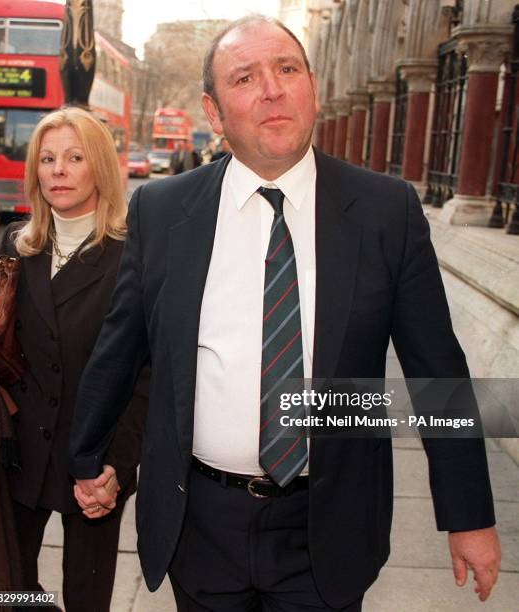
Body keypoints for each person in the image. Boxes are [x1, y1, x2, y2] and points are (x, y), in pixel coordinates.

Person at [69, 16, 501, 612]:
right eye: (245, 77)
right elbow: (120, 350)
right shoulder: (163, 211)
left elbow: (438, 379)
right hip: (201, 524)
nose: (272, 89)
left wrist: (470, 516)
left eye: (287, 69)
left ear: (313, 89)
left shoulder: (385, 212)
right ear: (214, 113)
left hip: (327, 525)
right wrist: (88, 457)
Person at [0, 106, 147, 612]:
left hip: (93, 465)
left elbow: (146, 374)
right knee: (8, 590)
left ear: (99, 166)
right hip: (17, 456)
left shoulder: (133, 254)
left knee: (87, 597)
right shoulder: (16, 245)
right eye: (47, 159)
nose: (58, 170)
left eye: (74, 157)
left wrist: (117, 468)